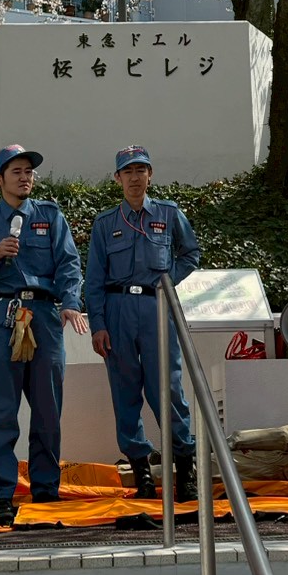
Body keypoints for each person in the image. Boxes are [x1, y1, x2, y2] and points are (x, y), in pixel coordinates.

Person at [0, 143, 86, 524]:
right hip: (3, 315)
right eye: (16, 171)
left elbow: (69, 263)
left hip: (44, 315)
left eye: (29, 171)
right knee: (1, 410)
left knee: (48, 408)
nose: (25, 177)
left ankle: (45, 491)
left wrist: (70, 302)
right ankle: (1, 495)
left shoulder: (49, 216)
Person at [86, 145, 201, 503]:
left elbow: (191, 253)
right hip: (118, 310)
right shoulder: (106, 224)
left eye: (141, 170)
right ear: (118, 178)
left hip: (157, 308)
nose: (135, 178)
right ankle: (141, 474)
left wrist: (167, 281)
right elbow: (93, 279)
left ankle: (185, 469)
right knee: (125, 393)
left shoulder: (168, 214)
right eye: (128, 172)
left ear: (150, 175)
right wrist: (98, 325)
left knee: (168, 389)